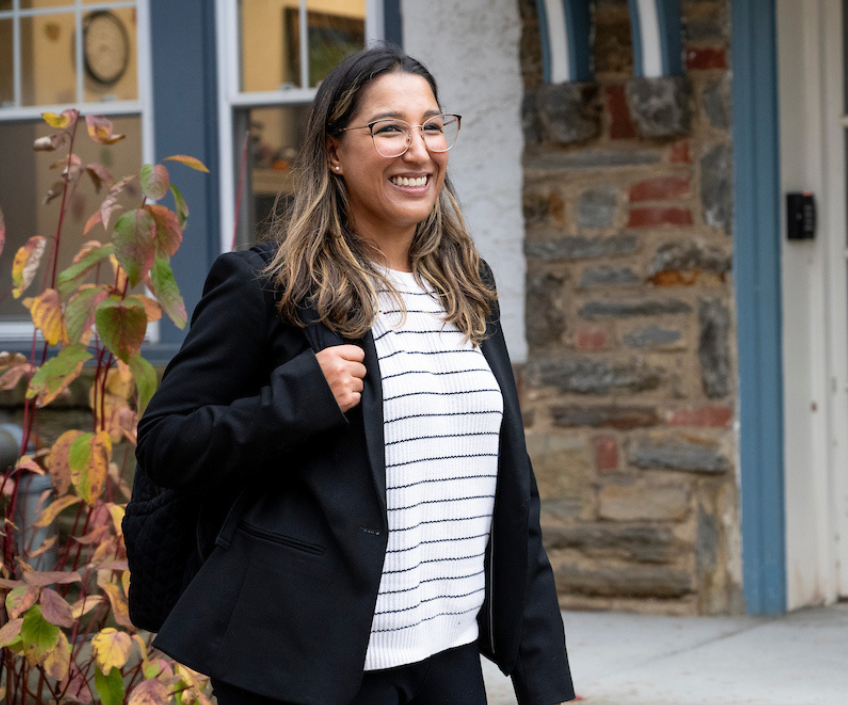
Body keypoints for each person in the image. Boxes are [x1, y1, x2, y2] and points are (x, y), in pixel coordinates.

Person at [135, 45, 575, 705]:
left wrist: (547, 680)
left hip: (447, 656)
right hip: (307, 665)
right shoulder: (267, 286)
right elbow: (166, 442)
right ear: (335, 150)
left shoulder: (466, 286)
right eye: (389, 128)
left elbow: (511, 494)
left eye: (431, 125)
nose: (419, 150)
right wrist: (296, 400)